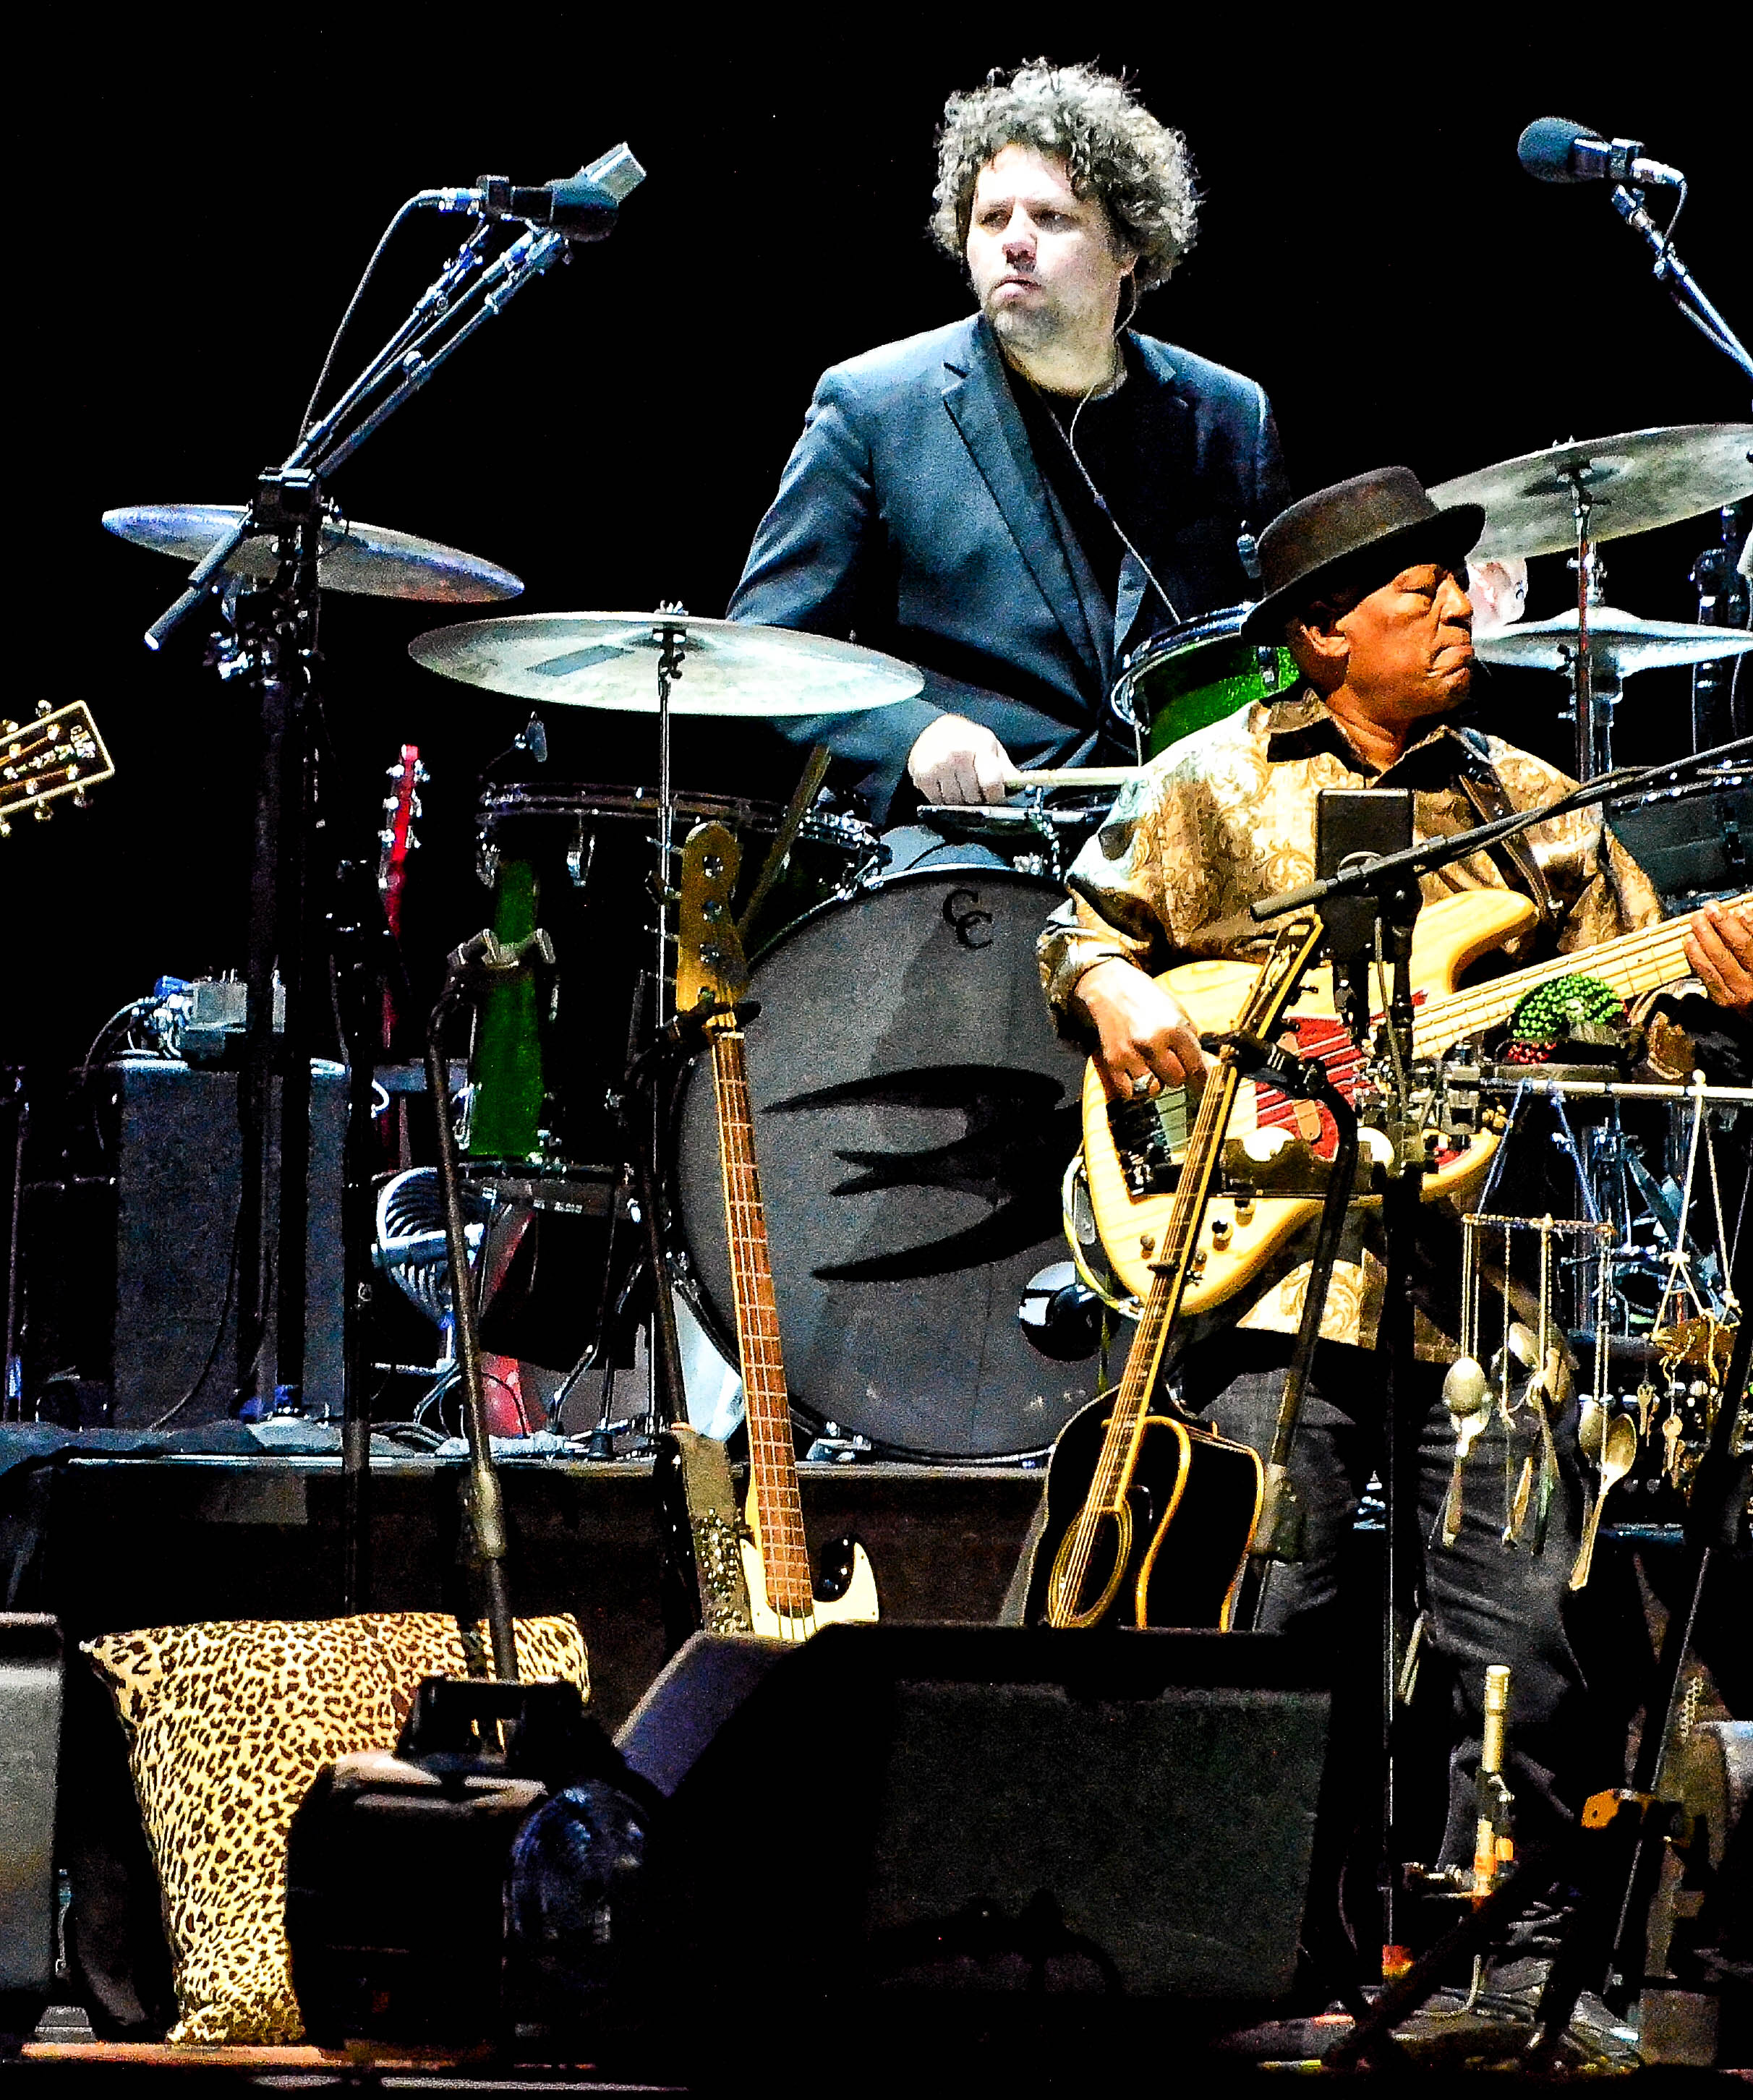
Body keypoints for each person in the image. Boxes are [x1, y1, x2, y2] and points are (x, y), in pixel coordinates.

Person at [1041, 466, 1753, 1964]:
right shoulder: (1206, 782)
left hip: (1482, 1284)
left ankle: (1511, 1962)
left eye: (1451, 591)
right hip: (1267, 1275)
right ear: (1319, 633)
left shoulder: (1532, 807)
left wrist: (1699, 987)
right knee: (1259, 1606)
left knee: (1527, 1636)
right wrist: (1106, 984)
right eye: (1413, 594)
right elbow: (1077, 931)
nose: (1451, 614)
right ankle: (1235, 1951)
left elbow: (1633, 1024)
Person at [727, 60, 1285, 827]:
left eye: (1050, 218)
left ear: (1127, 247)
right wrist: (914, 737)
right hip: (963, 840)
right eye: (991, 219)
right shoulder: (873, 406)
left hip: (1181, 832)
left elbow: (1284, 644)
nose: (1014, 242)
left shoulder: (1226, 414)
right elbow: (763, 650)